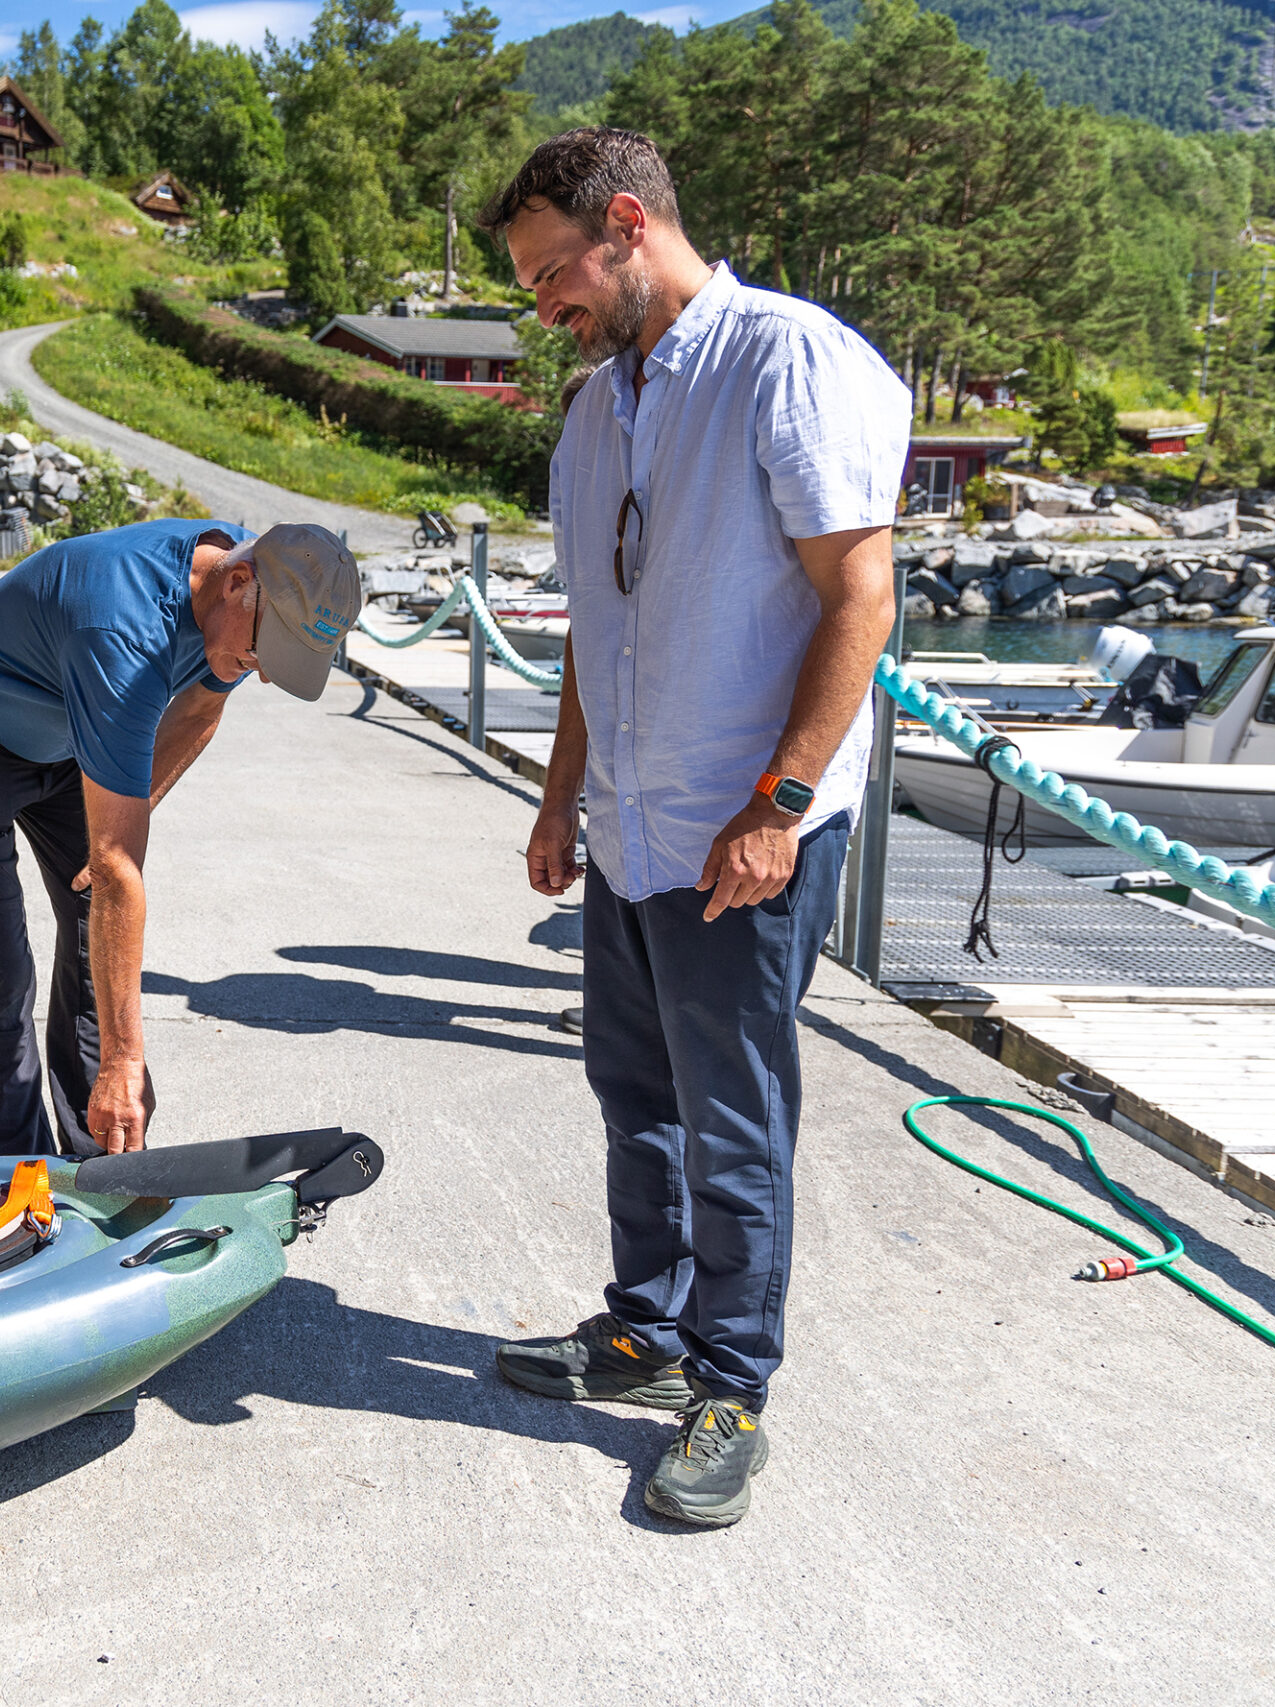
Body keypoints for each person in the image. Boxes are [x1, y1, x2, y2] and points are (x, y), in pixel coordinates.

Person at [478, 128, 908, 1528]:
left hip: (747, 826)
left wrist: (778, 802)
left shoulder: (788, 360)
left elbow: (861, 597)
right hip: (635, 822)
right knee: (635, 1094)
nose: (546, 308)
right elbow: (600, 633)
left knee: (734, 1119)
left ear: (625, 224)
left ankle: (730, 1383)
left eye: (553, 274)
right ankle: (642, 1328)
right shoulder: (598, 409)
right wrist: (559, 799)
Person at [0, 519, 362, 1158]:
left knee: (93, 934)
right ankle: (16, 1171)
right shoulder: (123, 626)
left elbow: (199, 709)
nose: (266, 673)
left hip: (66, 729)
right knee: (3, 964)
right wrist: (123, 1058)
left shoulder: (267, 577)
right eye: (265, 649)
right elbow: (118, 867)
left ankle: (96, 1163)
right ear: (236, 583)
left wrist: (116, 828)